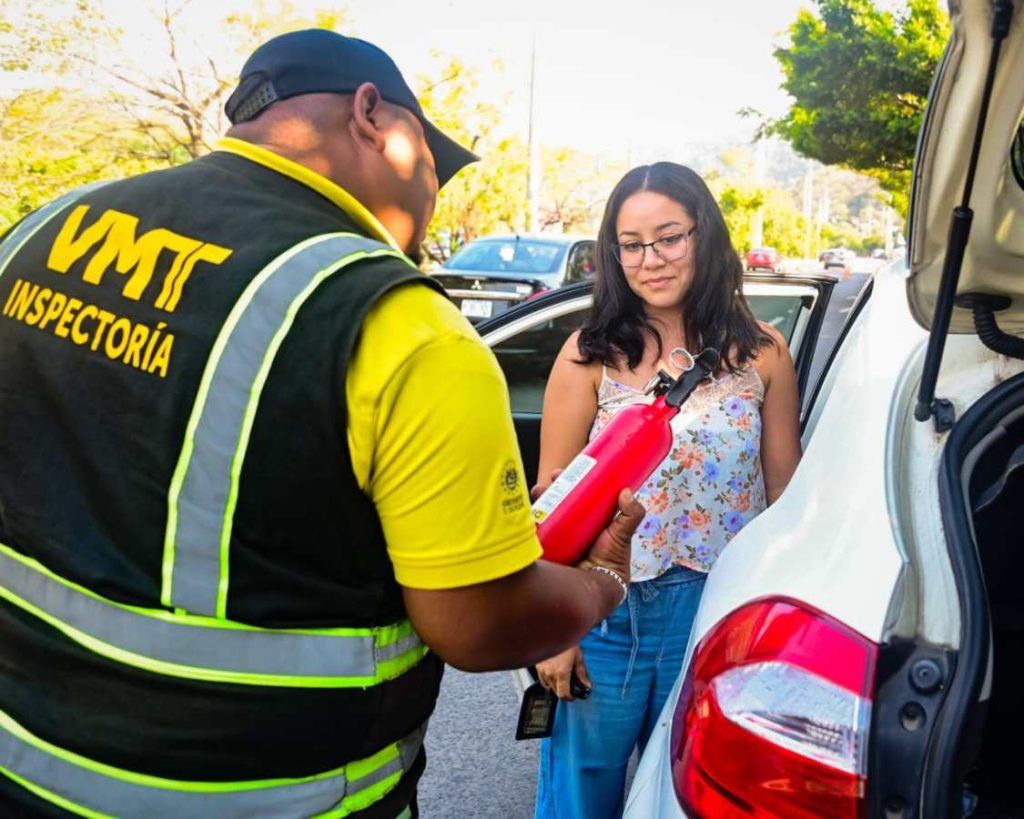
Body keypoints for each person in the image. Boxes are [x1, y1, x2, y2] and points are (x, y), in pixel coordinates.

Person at [0, 30, 645, 818]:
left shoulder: (43, 231)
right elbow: (477, 624)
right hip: (269, 794)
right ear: (370, 115)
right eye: (433, 165)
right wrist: (602, 582)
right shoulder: (399, 324)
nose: (431, 193)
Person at [533, 162, 802, 819]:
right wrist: (553, 629)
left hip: (716, 611)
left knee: (692, 793)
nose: (650, 258)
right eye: (631, 243)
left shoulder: (763, 352)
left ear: (704, 235)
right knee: (579, 791)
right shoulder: (586, 354)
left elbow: (786, 498)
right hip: (602, 610)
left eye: (669, 237)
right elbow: (551, 502)